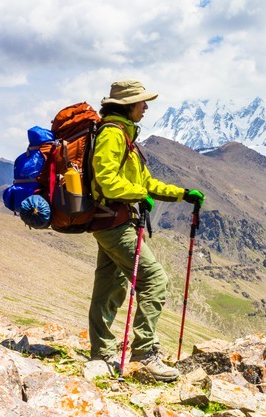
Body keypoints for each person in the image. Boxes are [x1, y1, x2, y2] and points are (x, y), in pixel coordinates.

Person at [88, 79, 205, 382]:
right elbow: (106, 180)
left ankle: (101, 352)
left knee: (109, 287)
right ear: (128, 105)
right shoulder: (112, 135)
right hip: (115, 222)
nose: (146, 107)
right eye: (142, 102)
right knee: (154, 281)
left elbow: (146, 183)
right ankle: (144, 355)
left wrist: (182, 193)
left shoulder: (125, 136)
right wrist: (139, 195)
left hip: (112, 221)